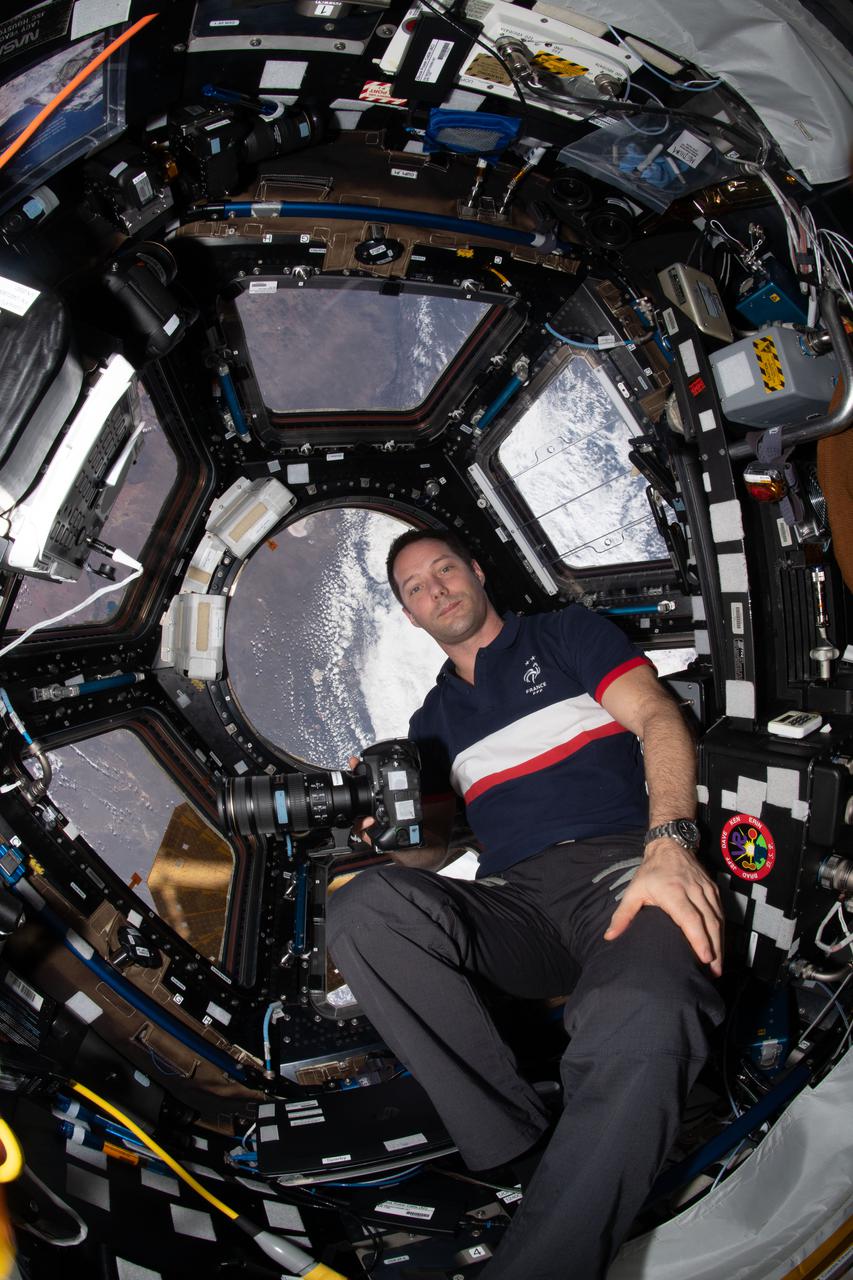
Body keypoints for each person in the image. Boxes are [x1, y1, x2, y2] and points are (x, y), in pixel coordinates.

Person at [327, 529, 725, 1279]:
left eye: (445, 569)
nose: (436, 589)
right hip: (514, 903)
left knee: (647, 1008)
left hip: (622, 868)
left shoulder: (565, 635)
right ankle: (519, 1146)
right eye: (415, 587)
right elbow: (429, 856)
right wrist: (388, 829)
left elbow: (656, 718)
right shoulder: (430, 724)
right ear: (409, 615)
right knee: (363, 908)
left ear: (477, 572)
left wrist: (670, 842)